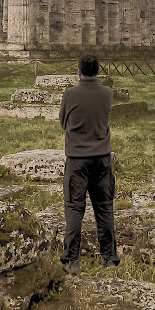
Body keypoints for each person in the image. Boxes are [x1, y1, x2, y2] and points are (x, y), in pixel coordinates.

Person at [58, 53, 120, 272]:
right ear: (98, 71)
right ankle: (110, 258)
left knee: (74, 208)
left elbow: (63, 122)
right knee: (104, 208)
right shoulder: (107, 93)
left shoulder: (69, 94)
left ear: (79, 71)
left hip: (77, 160)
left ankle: (72, 260)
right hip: (102, 159)